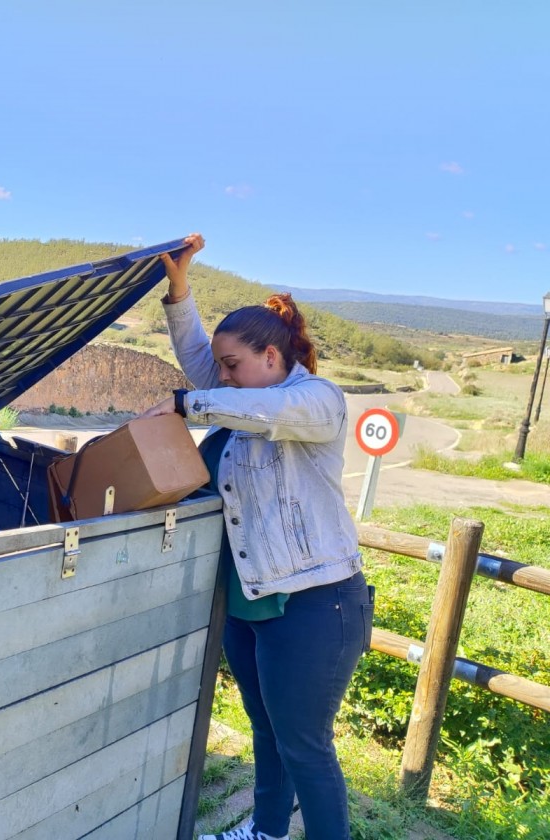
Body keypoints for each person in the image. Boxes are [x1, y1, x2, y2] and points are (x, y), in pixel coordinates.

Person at [141, 234, 373, 840]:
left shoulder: (314, 400)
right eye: (220, 368)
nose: (220, 376)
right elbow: (200, 362)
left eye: (232, 364)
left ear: (273, 357)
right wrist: (180, 288)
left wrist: (182, 404)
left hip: (315, 604)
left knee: (306, 747)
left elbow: (253, 411)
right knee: (266, 729)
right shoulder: (239, 393)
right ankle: (267, 831)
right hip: (250, 603)